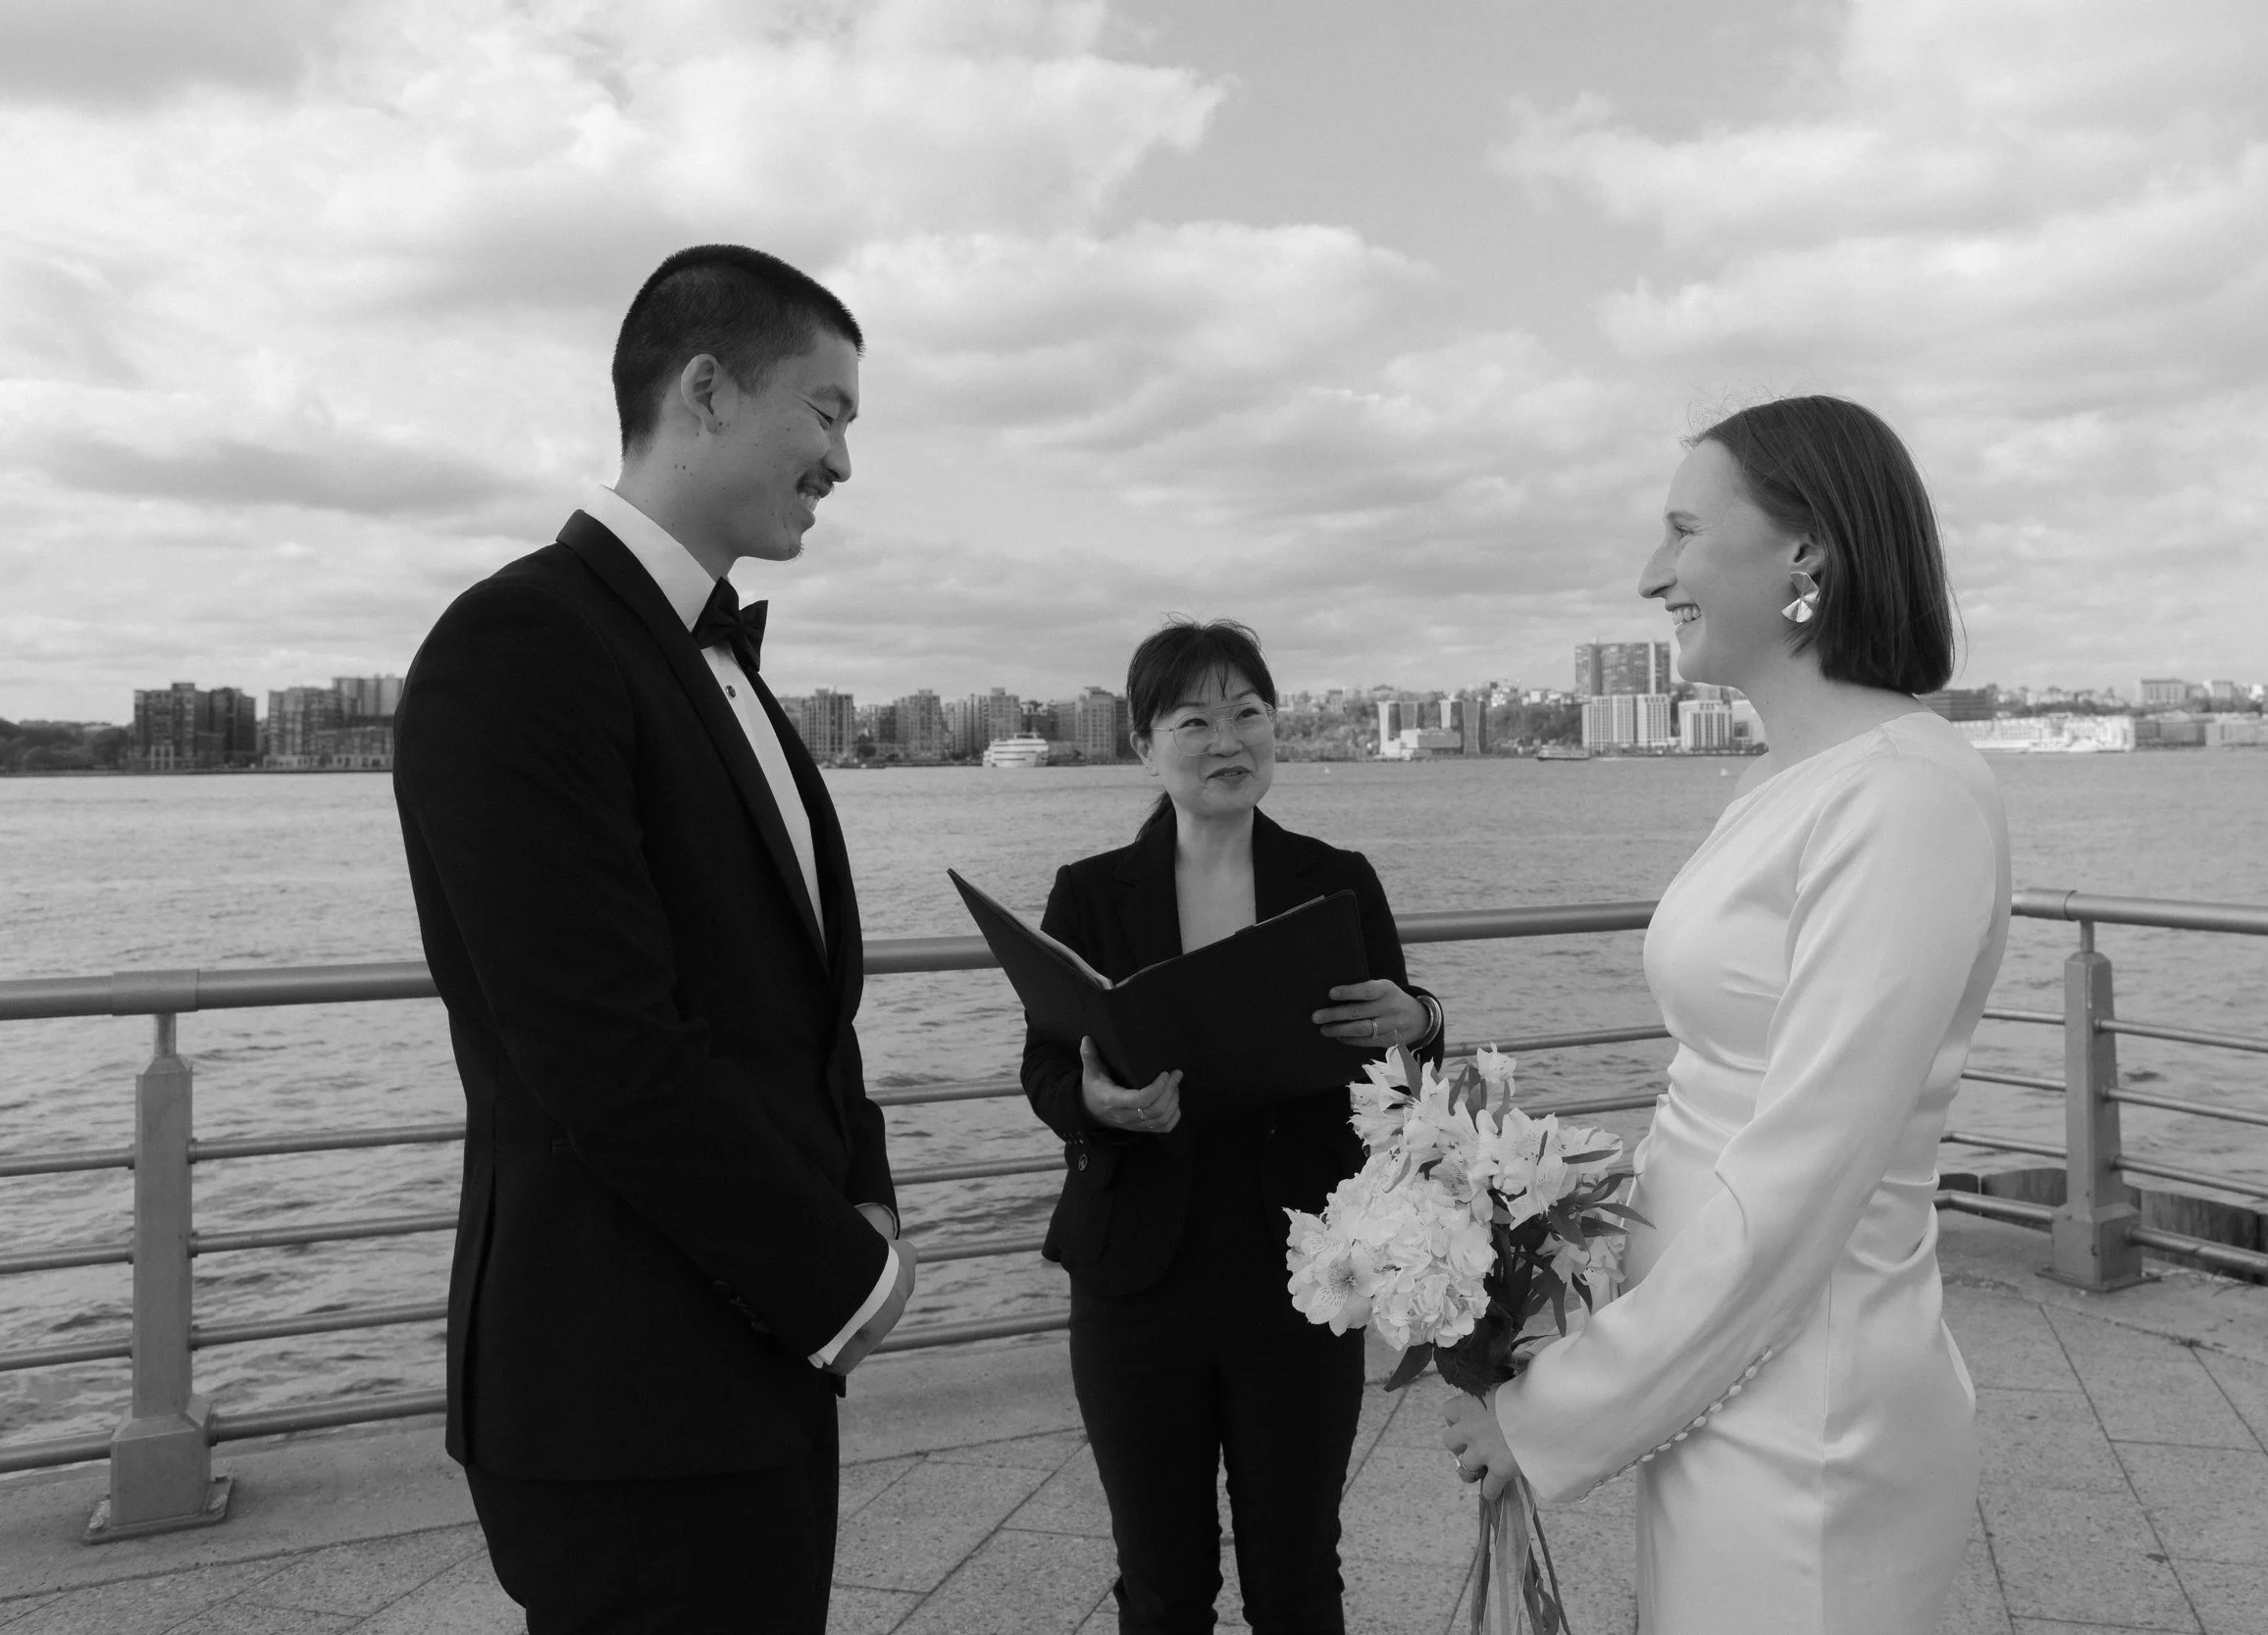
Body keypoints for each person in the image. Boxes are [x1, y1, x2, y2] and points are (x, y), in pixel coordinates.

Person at [393, 243, 915, 1632]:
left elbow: (802, 1006)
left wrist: (863, 1199)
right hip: (618, 1393)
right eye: (829, 409)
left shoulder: (717, 662)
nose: (844, 459)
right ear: (703, 390)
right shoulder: (517, 648)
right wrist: (845, 1279)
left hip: (757, 1364)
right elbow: (599, 1048)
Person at [1441, 396, 2010, 1634]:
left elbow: (1799, 1186)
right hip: (1722, 1381)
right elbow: (1717, 1097)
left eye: (1684, 531)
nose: (1653, 575)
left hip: (1811, 1408)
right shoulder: (1780, 778)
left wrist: (1550, 1414)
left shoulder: (1903, 798)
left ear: (1806, 552)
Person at [1019, 619, 1447, 1635]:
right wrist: (1099, 1105)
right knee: (1161, 1582)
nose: (1228, 738)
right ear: (1143, 746)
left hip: (1302, 1271)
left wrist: (1421, 1016)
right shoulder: (1090, 892)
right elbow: (1046, 1066)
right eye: (1195, 717)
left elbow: (1396, 1054)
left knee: (1297, 1575)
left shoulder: (1335, 878)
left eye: (1248, 712)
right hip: (1137, 1281)